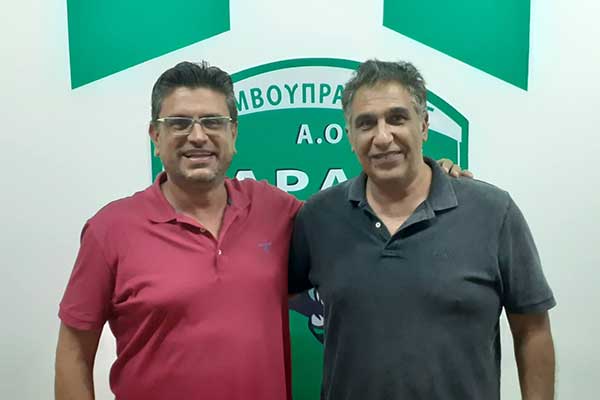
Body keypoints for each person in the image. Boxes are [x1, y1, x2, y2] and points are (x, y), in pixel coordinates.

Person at [55, 61, 468, 400]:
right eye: (179, 123)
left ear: (233, 133)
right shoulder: (111, 230)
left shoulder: (275, 209)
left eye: (213, 122)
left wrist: (436, 179)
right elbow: (74, 352)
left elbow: (359, 220)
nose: (197, 136)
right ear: (155, 136)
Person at [288, 59, 556, 400]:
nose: (383, 137)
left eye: (397, 118)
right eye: (366, 124)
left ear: (424, 125)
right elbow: (266, 295)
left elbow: (532, 329)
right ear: (350, 137)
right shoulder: (318, 217)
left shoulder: (493, 212)